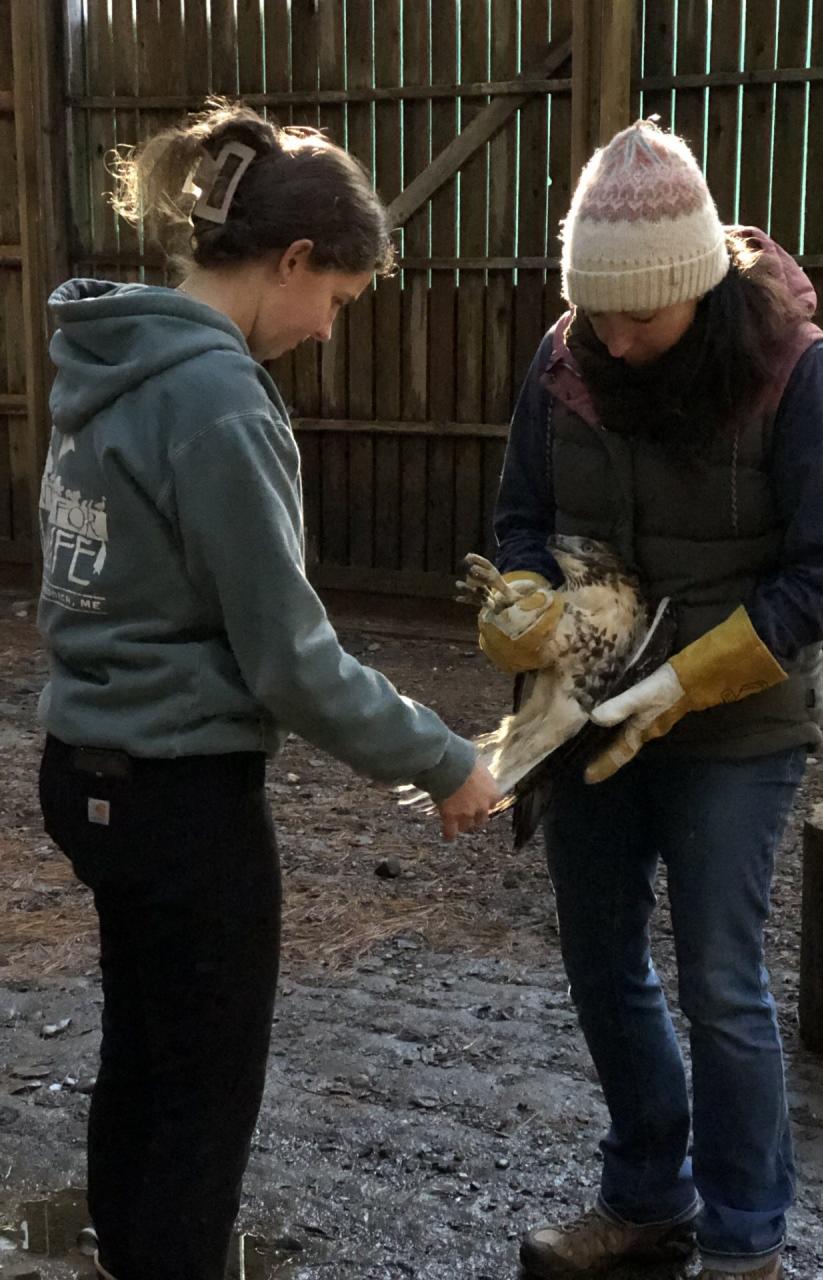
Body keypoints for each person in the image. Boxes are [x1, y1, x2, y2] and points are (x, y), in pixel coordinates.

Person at [36, 100, 498, 1280]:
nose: (330, 330)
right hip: (186, 798)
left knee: (143, 1056)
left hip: (84, 767)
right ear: (292, 260)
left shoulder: (105, 360)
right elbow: (290, 657)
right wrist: (445, 757)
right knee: (202, 1094)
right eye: (336, 301)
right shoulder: (222, 398)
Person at [480, 119, 823, 1279]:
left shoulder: (797, 372)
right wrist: (523, 598)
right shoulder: (564, 363)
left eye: (635, 316)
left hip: (735, 723)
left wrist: (687, 678)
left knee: (721, 980)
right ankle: (647, 1195)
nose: (611, 334)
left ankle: (748, 1243)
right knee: (601, 961)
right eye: (592, 311)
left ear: (694, 285)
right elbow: (520, 518)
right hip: (587, 708)